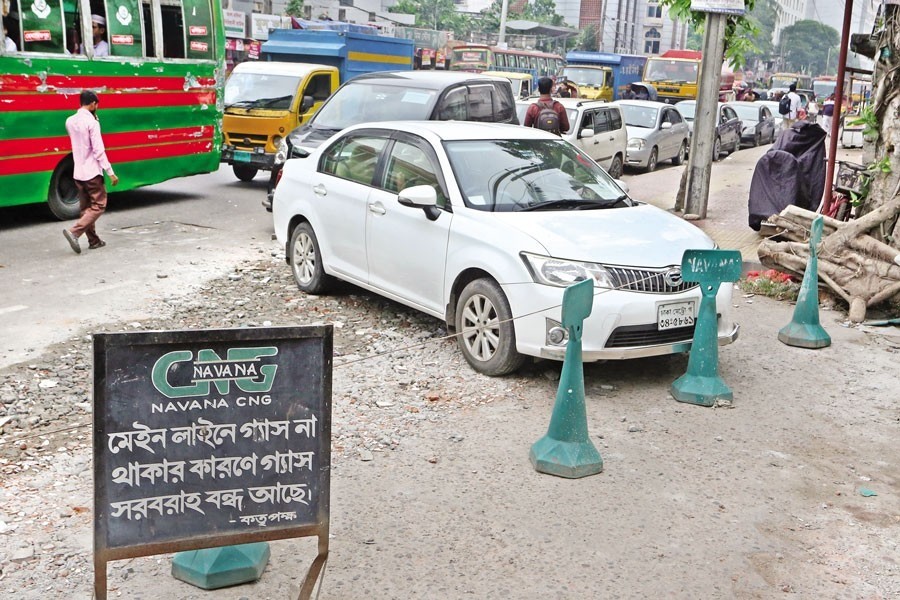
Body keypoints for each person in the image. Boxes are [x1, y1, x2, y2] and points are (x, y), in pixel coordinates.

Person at [63, 90, 119, 254]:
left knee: (86, 208)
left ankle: (94, 241)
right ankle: (75, 232)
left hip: (78, 172)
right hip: (92, 172)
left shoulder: (70, 121)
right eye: (97, 104)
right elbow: (98, 150)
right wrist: (110, 172)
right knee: (98, 206)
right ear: (93, 103)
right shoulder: (93, 123)